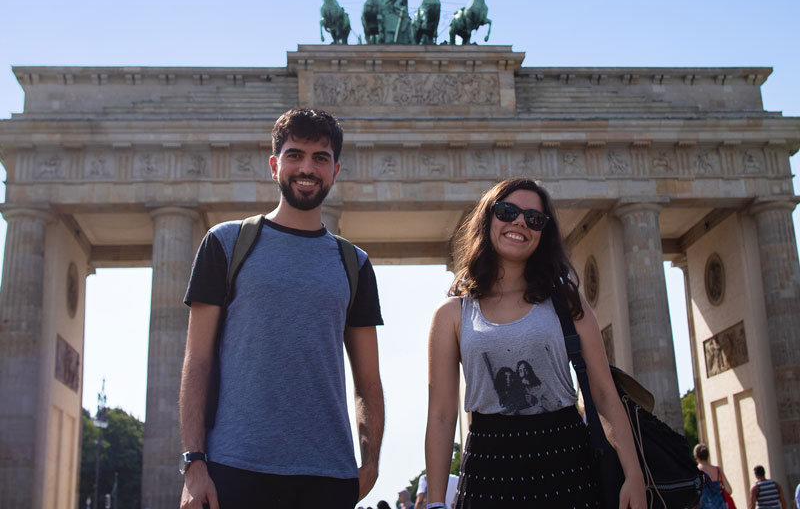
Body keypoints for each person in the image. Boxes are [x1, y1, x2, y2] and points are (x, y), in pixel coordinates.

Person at [178, 108, 385, 508]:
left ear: (335, 171)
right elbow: (196, 361)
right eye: (295, 155)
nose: (307, 168)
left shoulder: (354, 263)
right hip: (234, 469)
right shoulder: (225, 244)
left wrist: (371, 463)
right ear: (274, 165)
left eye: (320, 158)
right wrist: (194, 464)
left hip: (328, 474)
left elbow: (369, 381)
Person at [424, 178, 647, 509]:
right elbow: (442, 415)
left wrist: (634, 476)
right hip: (488, 469)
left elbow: (604, 395)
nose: (519, 222)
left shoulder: (567, 302)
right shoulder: (452, 314)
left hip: (566, 461)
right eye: (508, 211)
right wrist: (435, 502)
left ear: (544, 234)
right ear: (488, 219)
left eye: (534, 219)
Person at [694, 443, 731, 509]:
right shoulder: (717, 470)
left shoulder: (695, 472)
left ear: (695, 456)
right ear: (707, 455)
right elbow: (729, 490)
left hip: (703, 505)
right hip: (719, 505)